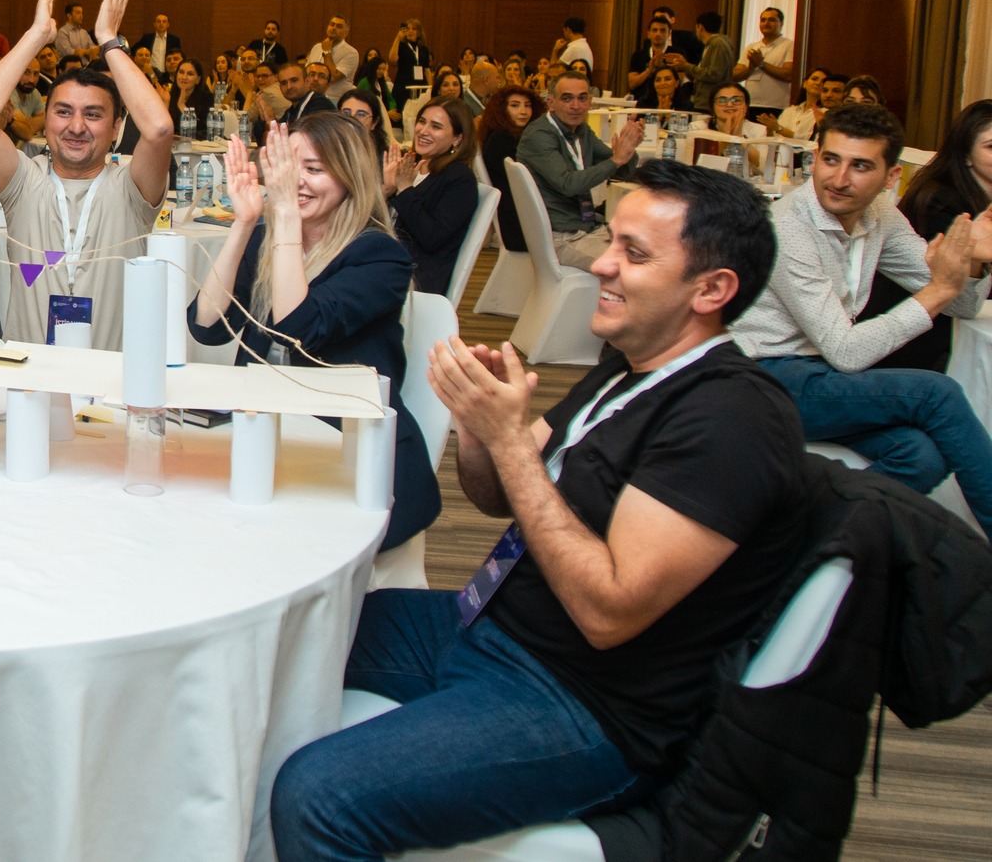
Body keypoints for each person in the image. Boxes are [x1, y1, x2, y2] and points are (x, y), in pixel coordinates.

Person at [273, 162, 804, 862]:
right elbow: (499, 494)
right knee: (286, 633)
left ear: (712, 289)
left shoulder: (732, 418)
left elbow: (608, 610)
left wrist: (509, 443)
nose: (603, 263)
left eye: (634, 253)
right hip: (489, 624)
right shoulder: (625, 368)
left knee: (318, 796)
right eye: (612, 241)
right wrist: (479, 429)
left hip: (581, 700)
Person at [733, 104, 992, 532]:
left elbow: (962, 305)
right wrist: (939, 289)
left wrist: (974, 259)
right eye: (830, 159)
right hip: (762, 377)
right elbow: (848, 352)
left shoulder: (880, 215)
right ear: (815, 157)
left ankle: (809, 535)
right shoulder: (787, 228)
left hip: (819, 375)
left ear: (892, 176)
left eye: (860, 166)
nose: (838, 179)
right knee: (936, 393)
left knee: (922, 455)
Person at [190, 113, 441, 552]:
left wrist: (285, 213)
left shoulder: (379, 256)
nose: (295, 182)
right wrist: (244, 224)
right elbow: (206, 326)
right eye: (289, 167)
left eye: (314, 169)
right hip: (269, 441)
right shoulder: (268, 241)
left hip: (355, 463)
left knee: (268, 546)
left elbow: (298, 330)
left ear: (349, 177)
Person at [0, 0, 172, 347]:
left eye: (93, 114)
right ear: (47, 120)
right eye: (63, 112)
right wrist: (37, 35)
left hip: (111, 374)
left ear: (116, 127)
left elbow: (158, 129)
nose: (76, 127)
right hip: (28, 372)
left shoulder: (131, 187)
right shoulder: (23, 181)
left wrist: (108, 40)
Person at [861, 99, 992, 373]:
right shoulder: (940, 202)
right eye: (991, 147)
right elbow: (959, 297)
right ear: (966, 155)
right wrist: (973, 258)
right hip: (920, 346)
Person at [517, 74, 644, 271]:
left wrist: (629, 149)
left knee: (651, 255)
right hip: (561, 237)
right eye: (567, 98)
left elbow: (621, 172)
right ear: (551, 102)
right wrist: (617, 159)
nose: (576, 106)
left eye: (582, 98)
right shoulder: (539, 135)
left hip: (587, 228)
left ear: (590, 102)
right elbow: (568, 184)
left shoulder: (580, 129)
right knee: (631, 268)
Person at [385, 97, 480, 297]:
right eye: (422, 122)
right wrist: (386, 189)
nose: (423, 130)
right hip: (385, 260)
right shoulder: (411, 167)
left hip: (412, 278)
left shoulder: (459, 179)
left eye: (436, 127)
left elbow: (432, 237)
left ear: (457, 138)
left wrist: (404, 189)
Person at [477, 85, 542, 254]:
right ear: (501, 110)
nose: (523, 111)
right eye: (515, 105)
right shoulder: (502, 140)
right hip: (520, 223)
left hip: (519, 217)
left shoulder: (511, 137)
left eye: (528, 105)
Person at [732, 6, 794, 116]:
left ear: (781, 23)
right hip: (750, 104)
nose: (766, 23)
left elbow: (789, 75)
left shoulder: (789, 45)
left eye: (772, 20)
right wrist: (750, 68)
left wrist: (761, 64)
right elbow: (734, 76)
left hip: (776, 106)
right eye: (763, 20)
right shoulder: (752, 47)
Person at [625, 15, 683, 102]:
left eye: (662, 30)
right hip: (641, 100)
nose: (658, 34)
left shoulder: (677, 54)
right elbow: (632, 84)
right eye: (654, 30)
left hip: (669, 101)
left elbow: (679, 81)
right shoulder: (638, 55)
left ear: (669, 34)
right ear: (648, 34)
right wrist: (649, 70)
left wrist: (662, 66)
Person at [686, 12, 737, 100]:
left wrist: (687, 67)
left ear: (700, 27)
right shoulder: (713, 44)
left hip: (711, 99)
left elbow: (714, 73)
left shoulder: (717, 44)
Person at [162, 58, 216, 136]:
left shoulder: (206, 97)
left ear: (198, 79)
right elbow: (162, 129)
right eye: (181, 72)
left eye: (190, 74)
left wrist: (182, 106)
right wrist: (166, 103)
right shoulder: (169, 96)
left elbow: (202, 129)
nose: (184, 77)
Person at [337, 86, 392, 162]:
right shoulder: (327, 150)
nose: (352, 118)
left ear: (374, 123)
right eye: (346, 112)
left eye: (361, 114)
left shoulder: (383, 158)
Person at [776, 67, 829, 140]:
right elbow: (774, 136)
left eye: (823, 81)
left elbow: (809, 139)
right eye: (814, 79)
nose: (818, 83)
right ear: (805, 83)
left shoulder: (824, 112)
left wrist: (779, 128)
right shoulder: (790, 111)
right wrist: (770, 128)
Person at [277, 62, 334, 127]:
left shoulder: (320, 104)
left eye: (294, 80)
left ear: (307, 81)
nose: (289, 87)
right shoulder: (290, 112)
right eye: (284, 83)